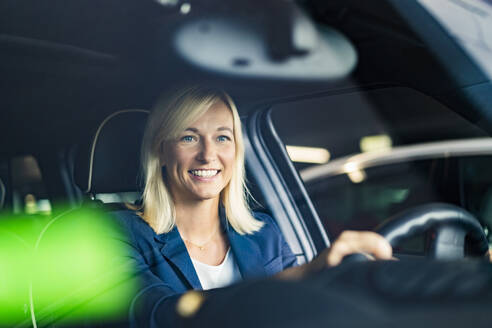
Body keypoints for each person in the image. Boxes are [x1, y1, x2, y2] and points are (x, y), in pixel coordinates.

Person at [112, 86, 392, 326]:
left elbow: (297, 312)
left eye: (222, 137)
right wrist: (307, 272)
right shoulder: (117, 234)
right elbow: (154, 314)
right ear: (161, 151)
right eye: (189, 137)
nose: (208, 155)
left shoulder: (264, 232)